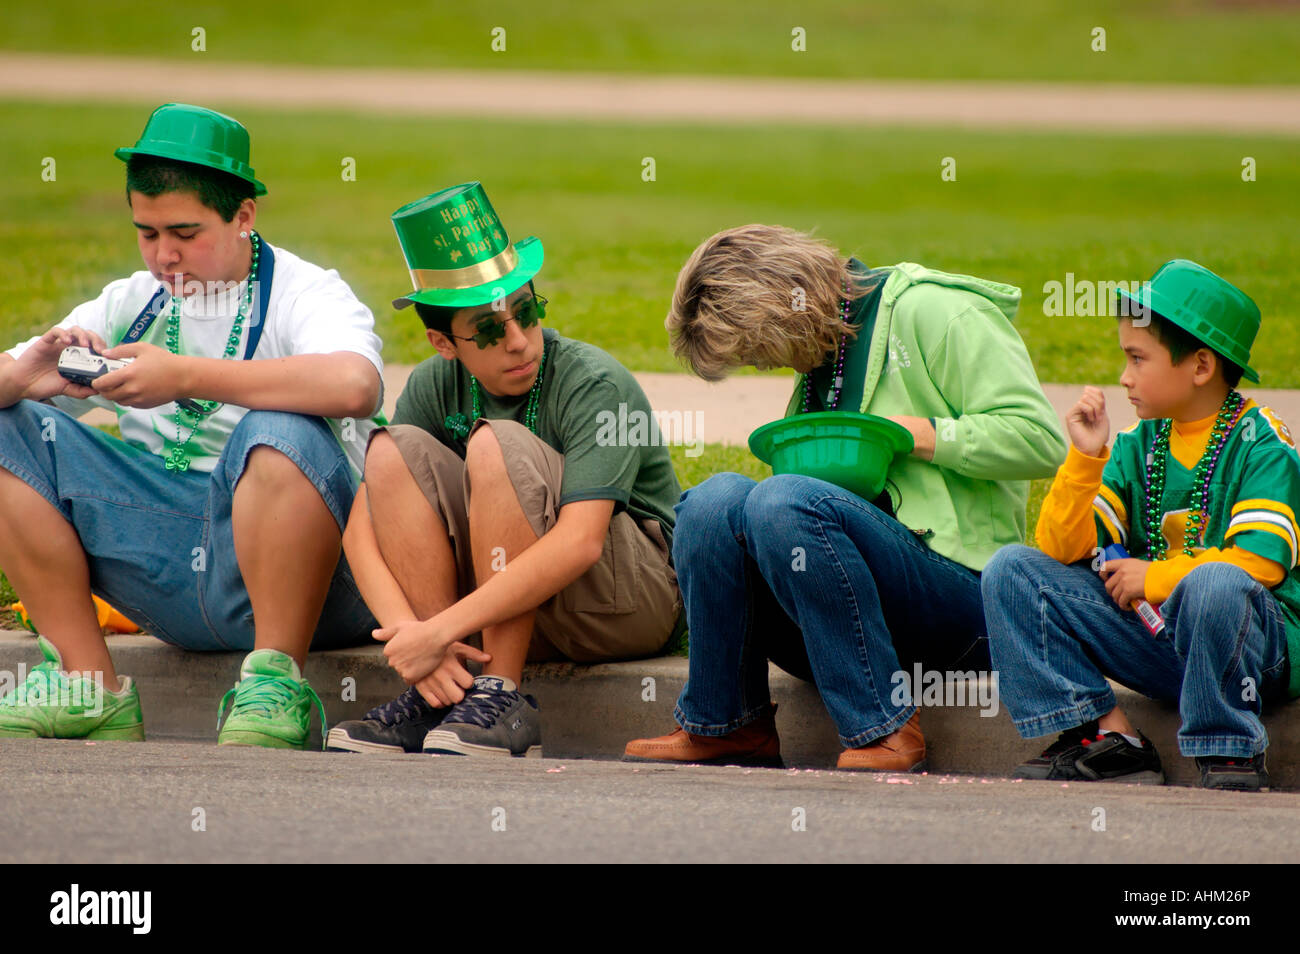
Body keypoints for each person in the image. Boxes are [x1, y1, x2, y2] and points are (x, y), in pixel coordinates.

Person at [0, 103, 384, 748]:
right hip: (173, 570)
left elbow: (356, 385)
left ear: (244, 216)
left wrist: (183, 377)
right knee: (11, 425)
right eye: (146, 233)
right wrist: (24, 377)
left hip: (319, 584)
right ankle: (88, 686)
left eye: (185, 231)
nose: (164, 256)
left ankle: (275, 681)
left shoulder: (305, 291)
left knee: (281, 429)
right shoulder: (132, 301)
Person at [624, 224, 1066, 770]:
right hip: (847, 614)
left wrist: (915, 434)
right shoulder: (819, 354)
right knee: (711, 501)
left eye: (758, 350)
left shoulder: (936, 312)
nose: (763, 366)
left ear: (784, 311)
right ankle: (728, 724)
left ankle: (885, 726)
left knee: (781, 501)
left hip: (964, 602)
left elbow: (1041, 440)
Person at [326, 182, 684, 757]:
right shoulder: (433, 384)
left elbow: (582, 543)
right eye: (490, 330)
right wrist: (416, 644)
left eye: (526, 312)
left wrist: (439, 631)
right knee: (392, 450)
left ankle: (501, 696)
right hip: (511, 603)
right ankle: (446, 695)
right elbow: (358, 529)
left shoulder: (595, 382)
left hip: (623, 601)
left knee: (495, 446)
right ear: (444, 342)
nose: (518, 341)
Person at [981, 260, 1299, 791]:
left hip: (1253, 655)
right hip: (1164, 642)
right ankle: (1105, 739)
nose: (1124, 376)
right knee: (1012, 569)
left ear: (1200, 366)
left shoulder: (1261, 442)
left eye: (1137, 358)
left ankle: (1230, 749)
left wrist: (1152, 578)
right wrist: (1085, 460)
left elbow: (1261, 563)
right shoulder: (1136, 443)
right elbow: (1059, 547)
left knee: (1215, 583)